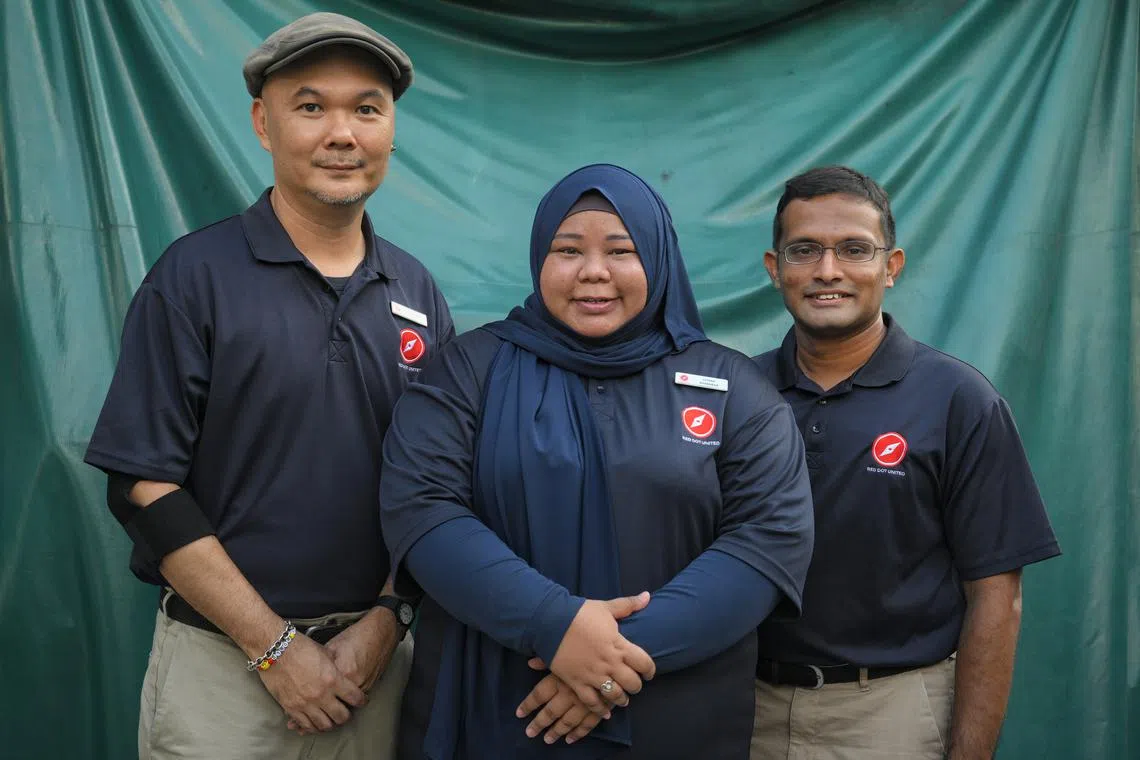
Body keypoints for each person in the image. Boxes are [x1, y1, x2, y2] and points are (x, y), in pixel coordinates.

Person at [83, 12, 454, 760]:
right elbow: (144, 486)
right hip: (225, 676)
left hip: (373, 671)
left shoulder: (415, 290)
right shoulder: (194, 277)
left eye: (366, 109)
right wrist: (276, 650)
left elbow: (435, 484)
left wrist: (387, 621)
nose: (341, 133)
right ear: (262, 123)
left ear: (391, 129)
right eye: (311, 106)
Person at [379, 163, 815, 759]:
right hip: (499, 713)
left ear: (658, 260)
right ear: (539, 258)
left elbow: (768, 543)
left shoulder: (731, 385)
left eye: (621, 250)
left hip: (675, 716)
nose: (593, 272)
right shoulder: (466, 370)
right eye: (567, 250)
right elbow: (422, 511)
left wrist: (610, 660)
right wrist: (552, 626)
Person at [750, 165, 1061, 760]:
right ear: (775, 268)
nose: (827, 271)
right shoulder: (741, 393)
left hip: (889, 716)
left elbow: (997, 598)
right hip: (744, 710)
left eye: (854, 250)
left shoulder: (958, 400)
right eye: (805, 250)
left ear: (891, 267)